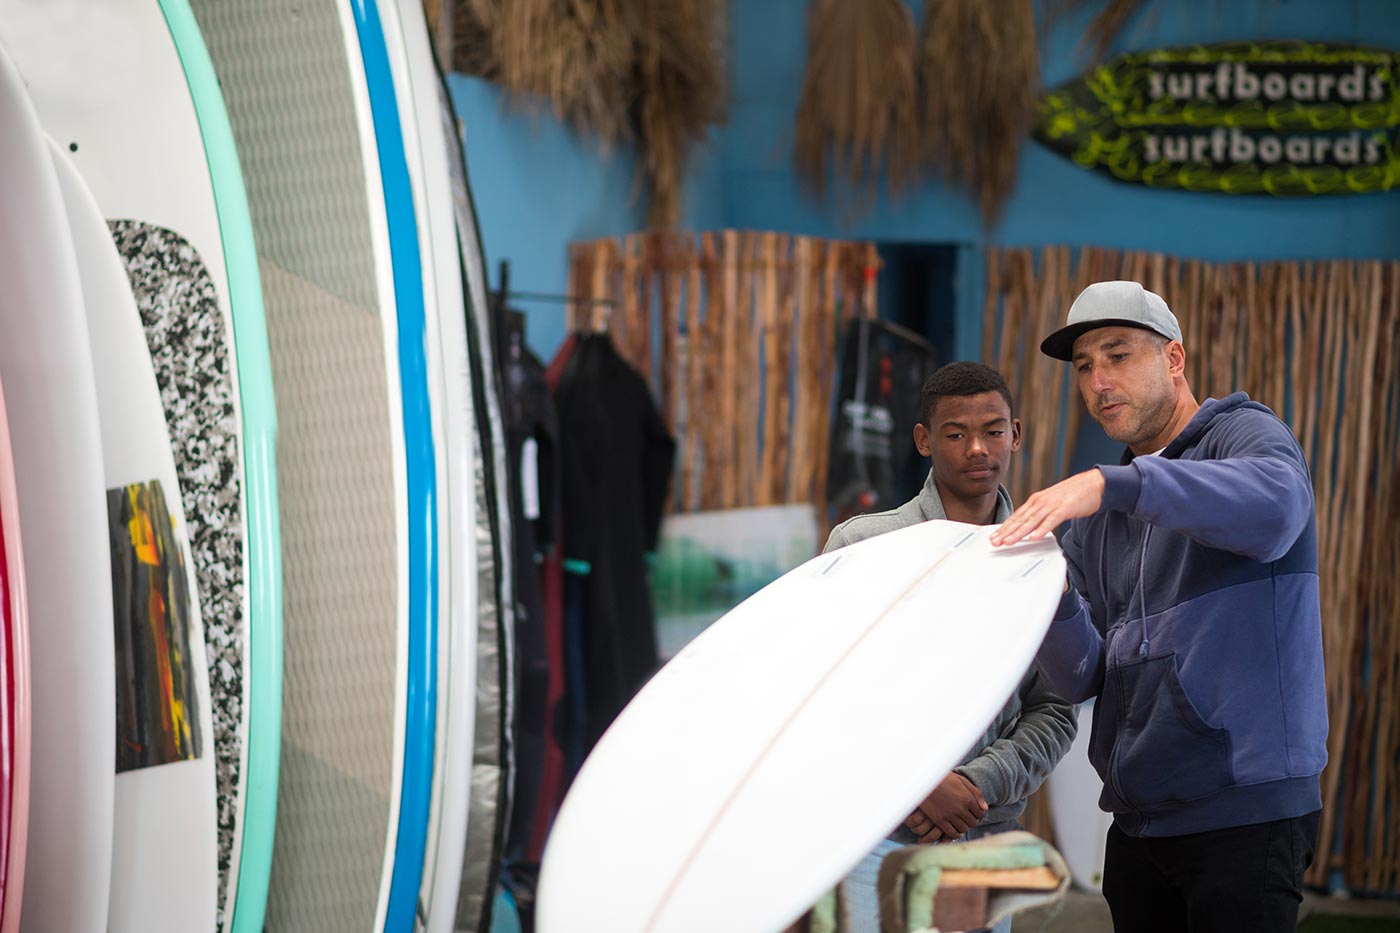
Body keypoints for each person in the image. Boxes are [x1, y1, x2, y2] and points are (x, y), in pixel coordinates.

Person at [991, 281, 1327, 933]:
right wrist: (1054, 597)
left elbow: (1278, 510)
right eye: (1084, 366)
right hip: (1139, 825)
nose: (1097, 380)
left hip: (1244, 813)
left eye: (1117, 354)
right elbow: (1083, 676)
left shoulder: (1245, 436)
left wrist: (1113, 482)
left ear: (1174, 358)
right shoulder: (1099, 520)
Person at [828, 361, 1077, 933]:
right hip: (873, 838)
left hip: (985, 839)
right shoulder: (866, 545)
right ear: (923, 440)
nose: (977, 449)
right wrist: (921, 784)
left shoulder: (1044, 561)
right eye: (955, 433)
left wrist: (975, 784)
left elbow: (1057, 707)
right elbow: (829, 697)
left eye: (993, 430)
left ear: (1016, 433)